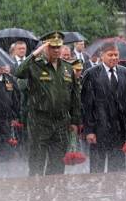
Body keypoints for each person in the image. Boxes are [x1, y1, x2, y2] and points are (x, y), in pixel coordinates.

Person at [15, 31, 81, 176]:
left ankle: (54, 195)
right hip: (40, 121)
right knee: (37, 164)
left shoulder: (68, 68)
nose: (57, 50)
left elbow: (75, 96)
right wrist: (35, 54)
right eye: (52, 47)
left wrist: (75, 122)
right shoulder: (35, 66)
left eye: (59, 47)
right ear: (45, 47)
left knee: (57, 166)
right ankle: (37, 195)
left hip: (61, 122)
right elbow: (18, 72)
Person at [81, 42, 126, 173]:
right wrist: (89, 130)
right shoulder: (91, 73)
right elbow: (86, 104)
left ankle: (117, 191)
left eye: (116, 55)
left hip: (119, 129)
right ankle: (98, 192)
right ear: (102, 56)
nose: (113, 58)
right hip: (99, 128)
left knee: (118, 168)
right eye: (110, 55)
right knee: (97, 168)